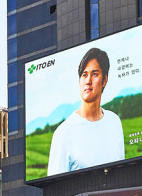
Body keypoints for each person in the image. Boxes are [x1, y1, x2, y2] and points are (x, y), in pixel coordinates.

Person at [47, 47, 125, 175]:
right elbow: (55, 189)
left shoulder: (115, 122)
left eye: (94, 74)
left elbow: (122, 175)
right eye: (84, 75)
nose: (88, 81)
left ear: (105, 80)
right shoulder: (63, 133)